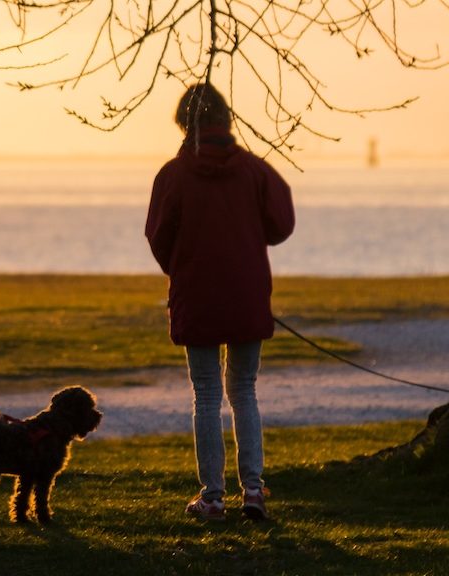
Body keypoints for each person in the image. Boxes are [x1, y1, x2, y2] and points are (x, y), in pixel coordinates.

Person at [144, 83, 295, 522]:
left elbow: (158, 235)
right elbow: (281, 223)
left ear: (184, 124)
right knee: (244, 390)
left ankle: (212, 497)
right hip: (247, 293)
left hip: (197, 295)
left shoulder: (173, 175)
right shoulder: (254, 171)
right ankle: (253, 490)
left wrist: (180, 267)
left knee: (207, 394)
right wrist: (248, 239)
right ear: (225, 120)